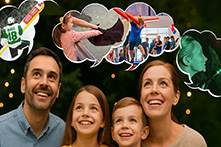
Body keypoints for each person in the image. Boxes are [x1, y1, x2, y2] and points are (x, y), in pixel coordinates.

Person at [0, 47, 65, 146]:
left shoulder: (65, 134)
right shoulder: (1, 130)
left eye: (51, 77)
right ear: (23, 85)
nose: (44, 82)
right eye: (37, 74)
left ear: (58, 90)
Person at [139, 60, 207, 147]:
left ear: (176, 97)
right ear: (141, 97)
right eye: (147, 83)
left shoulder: (194, 142)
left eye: (163, 83)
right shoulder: (132, 142)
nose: (154, 90)